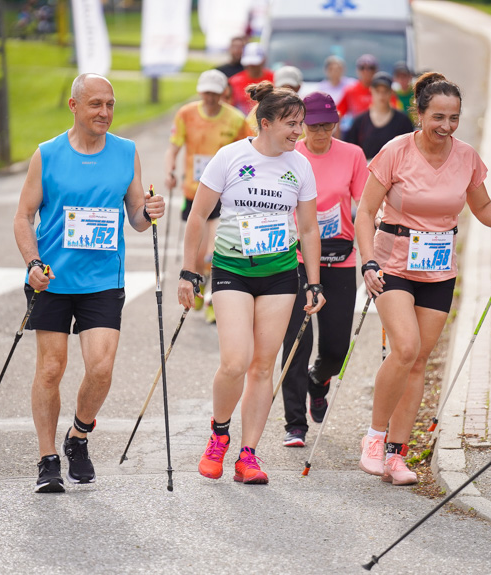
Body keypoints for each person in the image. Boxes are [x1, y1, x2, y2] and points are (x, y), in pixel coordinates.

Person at [355, 72, 491, 486]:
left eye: (454, 117)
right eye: (438, 116)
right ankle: (374, 438)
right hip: (392, 264)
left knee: (418, 362)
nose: (447, 126)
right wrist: (367, 261)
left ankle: (398, 456)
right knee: (405, 347)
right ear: (419, 113)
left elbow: (482, 205)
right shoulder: (395, 151)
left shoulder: (466, 156)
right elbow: (365, 212)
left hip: (437, 268)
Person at [13, 73, 165, 493]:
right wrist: (32, 263)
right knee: (51, 368)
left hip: (102, 280)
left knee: (100, 368)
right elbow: (23, 216)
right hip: (53, 279)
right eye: (96, 104)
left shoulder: (125, 152)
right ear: (74, 106)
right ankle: (47, 460)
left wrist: (150, 210)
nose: (105, 112)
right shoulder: (47, 154)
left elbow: (136, 218)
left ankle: (78, 437)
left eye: (110, 104)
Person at [177, 81, 326, 484]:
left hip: (280, 273)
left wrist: (314, 284)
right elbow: (197, 215)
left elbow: (309, 229)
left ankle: (249, 455)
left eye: (302, 124)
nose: (299, 132)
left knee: (262, 367)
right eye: (291, 124)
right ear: (265, 123)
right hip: (232, 270)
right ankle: (219, 434)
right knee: (236, 361)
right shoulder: (231, 157)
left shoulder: (300, 165)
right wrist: (189, 271)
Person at [279, 91, 368, 447]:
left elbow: (364, 205)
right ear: (302, 125)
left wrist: (373, 251)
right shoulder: (289, 156)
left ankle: (319, 380)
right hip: (296, 258)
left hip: (339, 257)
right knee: (297, 341)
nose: (322, 132)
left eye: (329, 125)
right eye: (314, 126)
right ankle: (294, 423)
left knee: (335, 347)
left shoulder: (353, 155)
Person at [164, 69, 253, 323]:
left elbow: (248, 153)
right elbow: (174, 147)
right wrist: (169, 170)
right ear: (201, 91)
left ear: (223, 92)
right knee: (200, 254)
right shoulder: (186, 114)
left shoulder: (236, 119)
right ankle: (200, 285)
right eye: (207, 93)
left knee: (212, 254)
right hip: (196, 193)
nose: (211, 98)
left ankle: (215, 299)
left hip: (225, 197)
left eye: (215, 93)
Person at [344, 71, 414, 161]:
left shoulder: (403, 121)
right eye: (378, 91)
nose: (381, 95)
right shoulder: (360, 121)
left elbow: (409, 152)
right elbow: (351, 151)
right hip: (366, 170)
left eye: (385, 91)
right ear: (371, 90)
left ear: (391, 92)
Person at [336, 54, 378, 133]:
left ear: (376, 70)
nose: (366, 71)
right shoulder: (351, 91)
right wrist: (339, 139)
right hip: (358, 133)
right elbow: (338, 114)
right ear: (357, 70)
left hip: (379, 131)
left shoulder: (383, 90)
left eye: (371, 68)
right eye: (362, 68)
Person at [229, 42, 274, 115]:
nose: (252, 66)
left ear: (263, 61)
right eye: (249, 63)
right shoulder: (234, 82)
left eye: (255, 64)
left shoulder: (274, 78)